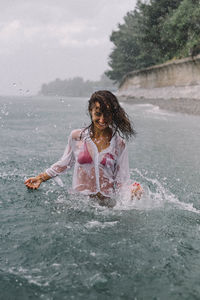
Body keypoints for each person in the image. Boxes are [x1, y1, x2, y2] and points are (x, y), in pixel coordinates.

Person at [24, 90, 143, 206]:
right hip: (79, 202)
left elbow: (121, 180)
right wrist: (41, 178)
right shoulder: (77, 137)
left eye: (107, 115)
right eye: (98, 114)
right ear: (90, 111)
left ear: (112, 114)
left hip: (107, 206)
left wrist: (131, 192)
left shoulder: (119, 144)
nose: (102, 120)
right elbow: (65, 163)